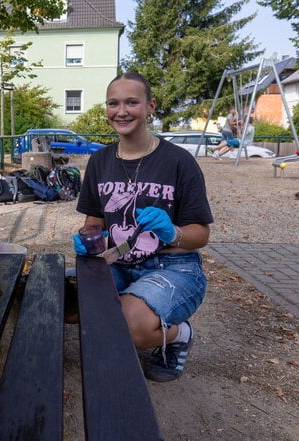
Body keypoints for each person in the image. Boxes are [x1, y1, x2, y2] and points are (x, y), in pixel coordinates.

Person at [73, 72, 213, 382]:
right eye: (113, 103)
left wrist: (172, 231)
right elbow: (94, 221)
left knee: (127, 324)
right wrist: (90, 238)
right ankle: (130, 312)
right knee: (70, 303)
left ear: (150, 106)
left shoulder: (179, 161)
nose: (121, 111)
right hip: (118, 261)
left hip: (173, 266)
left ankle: (178, 335)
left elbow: (200, 235)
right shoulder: (99, 160)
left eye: (131, 102)